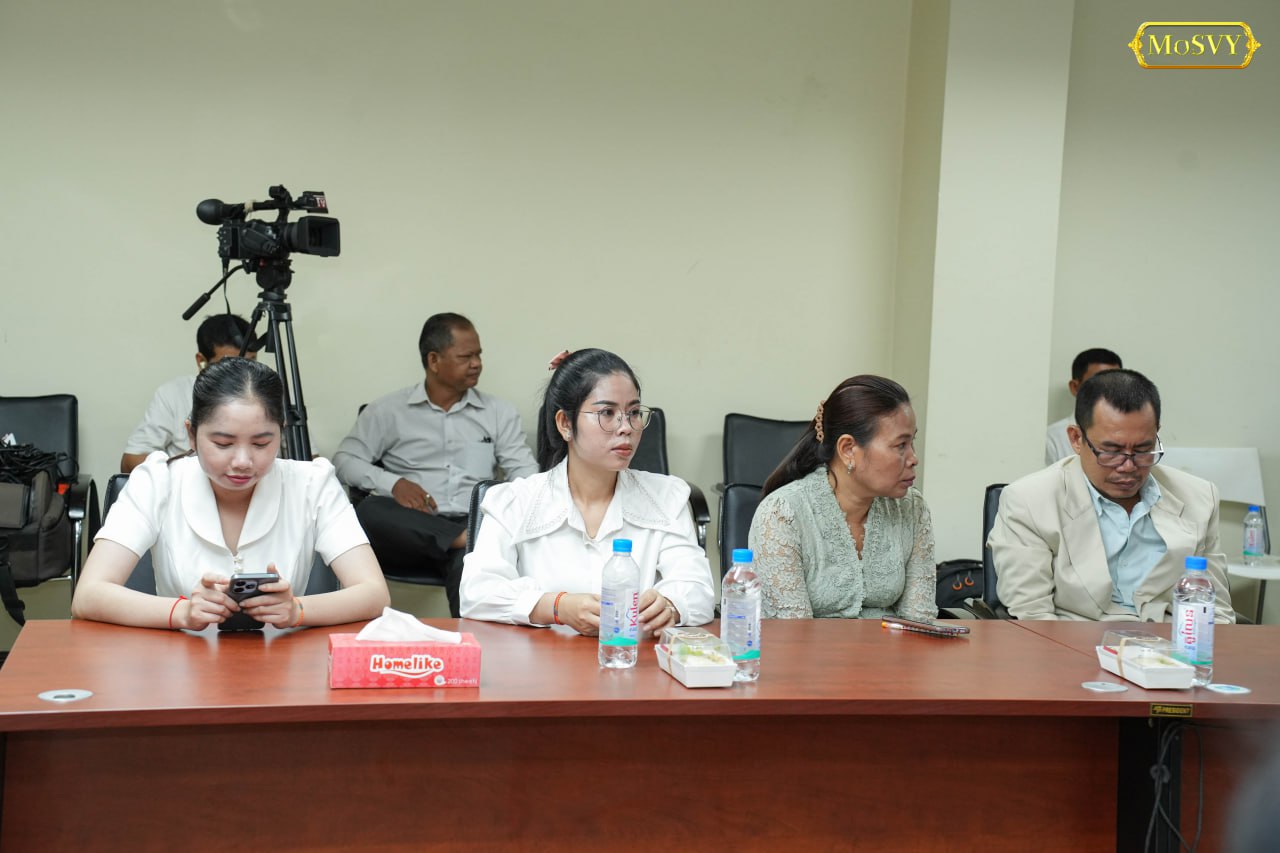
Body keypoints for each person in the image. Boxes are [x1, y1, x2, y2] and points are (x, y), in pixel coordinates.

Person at [74, 359, 390, 630]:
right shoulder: (157, 481)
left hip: (283, 662)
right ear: (191, 434)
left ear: (280, 433)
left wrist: (297, 610)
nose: (242, 461)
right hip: (179, 664)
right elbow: (88, 595)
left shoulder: (313, 483)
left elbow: (375, 593)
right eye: (223, 444)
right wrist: (181, 612)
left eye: (261, 443)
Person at [459, 349, 714, 634]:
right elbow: (476, 592)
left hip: (633, 657)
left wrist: (670, 605)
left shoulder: (667, 497)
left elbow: (698, 590)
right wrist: (557, 607)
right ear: (565, 424)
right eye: (607, 413)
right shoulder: (514, 501)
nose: (626, 428)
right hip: (542, 659)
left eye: (633, 413)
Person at [333, 313, 538, 617]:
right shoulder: (389, 411)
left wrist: (507, 509)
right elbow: (344, 461)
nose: (477, 363)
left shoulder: (498, 412)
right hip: (411, 529)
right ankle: (460, 538)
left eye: (479, 355)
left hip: (472, 525)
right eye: (466, 356)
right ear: (434, 360)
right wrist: (395, 484)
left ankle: (470, 635)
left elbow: (525, 473)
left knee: (471, 565)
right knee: (368, 510)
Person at [989, 368, 1233, 623]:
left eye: (1143, 449)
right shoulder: (1029, 501)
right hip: (1072, 639)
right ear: (1076, 438)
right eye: (1111, 451)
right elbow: (1033, 616)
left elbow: (1216, 612)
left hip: (1174, 641)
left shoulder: (1199, 498)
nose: (1128, 466)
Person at [749, 375, 937, 621]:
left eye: (912, 442)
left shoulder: (912, 508)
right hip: (807, 647)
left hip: (895, 646)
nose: (913, 458)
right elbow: (792, 634)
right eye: (900, 445)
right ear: (848, 449)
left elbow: (919, 621)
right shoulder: (782, 514)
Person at [120, 313, 262, 474]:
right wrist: (188, 477)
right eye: (229, 365)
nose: (241, 374)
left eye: (250, 363)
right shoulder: (174, 395)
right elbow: (131, 460)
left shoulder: (269, 396)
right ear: (201, 361)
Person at [1045, 347, 1123, 465]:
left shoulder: (1136, 433)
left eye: (1116, 383)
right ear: (1075, 387)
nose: (1108, 391)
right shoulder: (1052, 439)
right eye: (1098, 383)